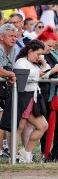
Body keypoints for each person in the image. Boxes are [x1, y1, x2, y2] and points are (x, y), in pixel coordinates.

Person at [0, 40, 50, 163]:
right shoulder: (21, 62)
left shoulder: (35, 63)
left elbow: (46, 74)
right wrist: (39, 72)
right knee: (18, 127)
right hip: (22, 97)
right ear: (30, 51)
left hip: (33, 98)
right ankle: (14, 156)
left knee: (43, 126)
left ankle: (26, 152)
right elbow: (26, 75)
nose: (39, 56)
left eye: (41, 54)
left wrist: (43, 62)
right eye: (38, 54)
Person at [36, 27, 58, 162]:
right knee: (44, 126)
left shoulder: (49, 55)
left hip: (56, 97)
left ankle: (56, 153)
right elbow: (45, 74)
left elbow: (56, 72)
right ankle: (44, 153)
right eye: (49, 45)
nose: (51, 48)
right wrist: (56, 69)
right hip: (43, 97)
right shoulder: (36, 56)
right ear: (41, 42)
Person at [0, 24, 17, 157]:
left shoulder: (13, 51)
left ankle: (4, 150)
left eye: (15, 36)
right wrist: (11, 75)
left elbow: (11, 70)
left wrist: (10, 74)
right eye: (10, 36)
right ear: (1, 37)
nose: (14, 38)